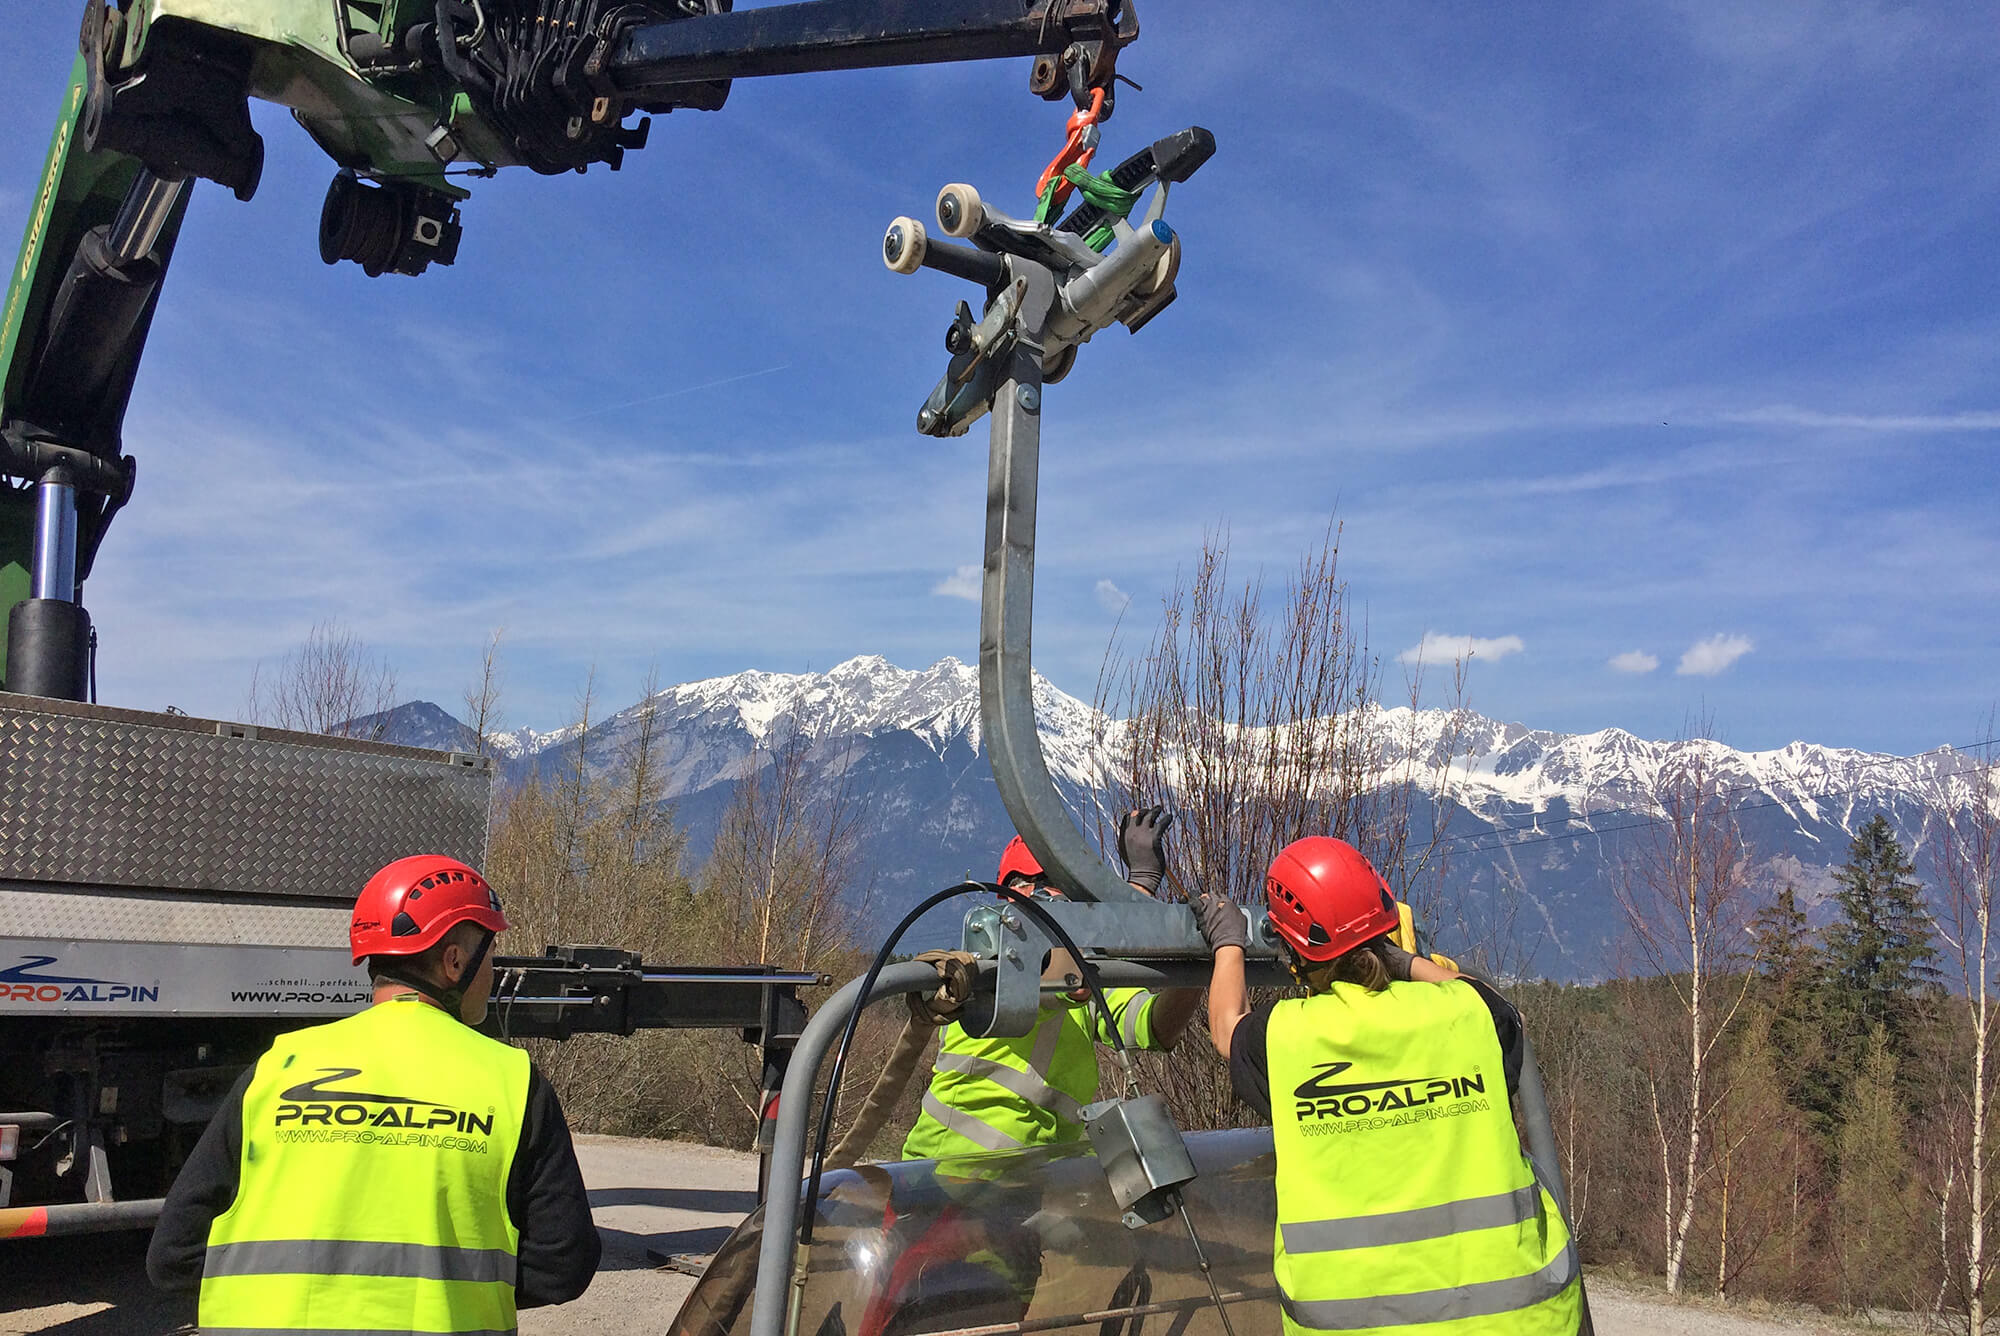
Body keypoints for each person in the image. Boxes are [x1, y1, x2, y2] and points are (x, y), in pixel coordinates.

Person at [148, 854, 600, 1332]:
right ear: (454, 962)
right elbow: (562, 1265)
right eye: (488, 953)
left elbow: (173, 1257)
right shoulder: (511, 1081)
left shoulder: (279, 1067)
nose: (493, 972)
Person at [1197, 836, 1580, 1336]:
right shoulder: (1468, 1013)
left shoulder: (1288, 1036)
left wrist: (1229, 944)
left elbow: (1228, 1028)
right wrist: (1401, 961)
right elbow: (1492, 1004)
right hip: (1526, 1318)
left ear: (1292, 949)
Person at [901, 810, 1202, 1162]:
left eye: (1054, 885)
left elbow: (1154, 1027)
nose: (1046, 896)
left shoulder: (1084, 973)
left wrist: (1193, 968)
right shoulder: (992, 963)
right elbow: (1055, 979)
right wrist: (1138, 890)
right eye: (1034, 884)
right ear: (1011, 893)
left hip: (1037, 1184)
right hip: (950, 1176)